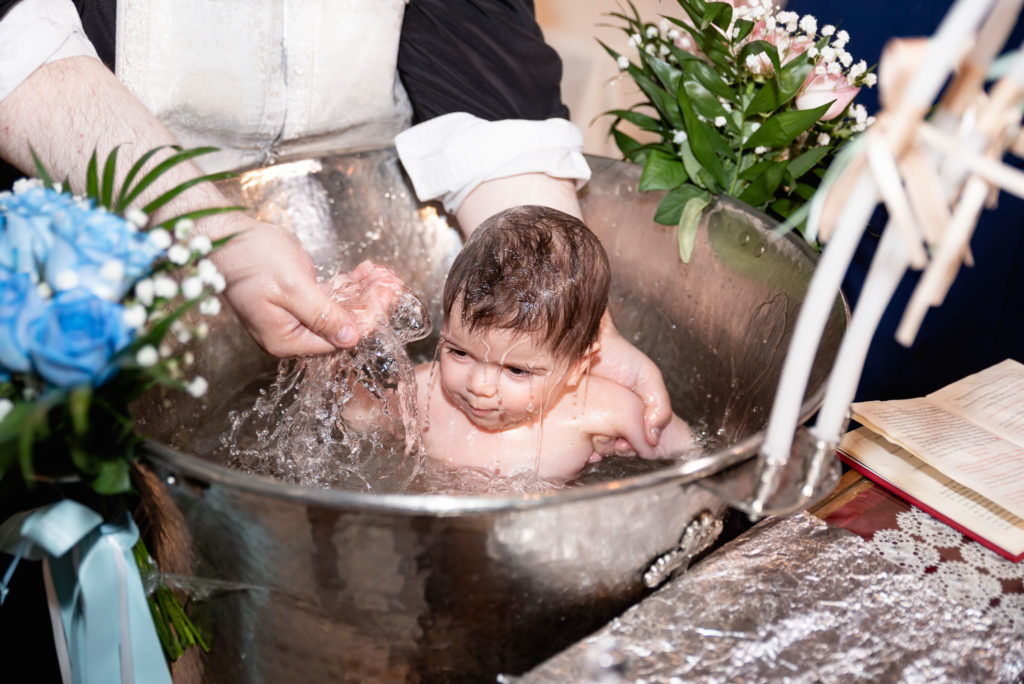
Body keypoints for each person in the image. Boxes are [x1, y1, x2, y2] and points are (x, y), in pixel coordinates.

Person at [0, 0, 673, 446]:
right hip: (90, 241)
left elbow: (481, 69)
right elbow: (19, 39)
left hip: (367, 202)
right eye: (463, 354)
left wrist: (570, 312)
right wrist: (214, 232)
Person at [346, 206, 696, 480]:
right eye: (459, 352)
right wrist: (350, 341)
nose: (479, 386)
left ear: (577, 368)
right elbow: (353, 416)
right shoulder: (422, 393)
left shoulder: (596, 408)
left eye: (516, 369)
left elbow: (691, 456)